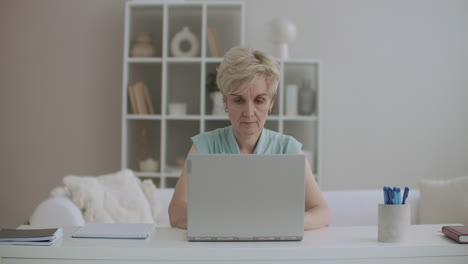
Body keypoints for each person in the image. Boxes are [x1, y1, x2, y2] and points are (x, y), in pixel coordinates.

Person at [169, 46, 330, 230]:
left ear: (271, 103)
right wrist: (231, 222)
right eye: (238, 101)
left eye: (259, 100)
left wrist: (283, 223)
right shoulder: (204, 146)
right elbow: (176, 212)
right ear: (225, 102)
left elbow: (322, 212)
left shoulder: (289, 149)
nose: (249, 112)